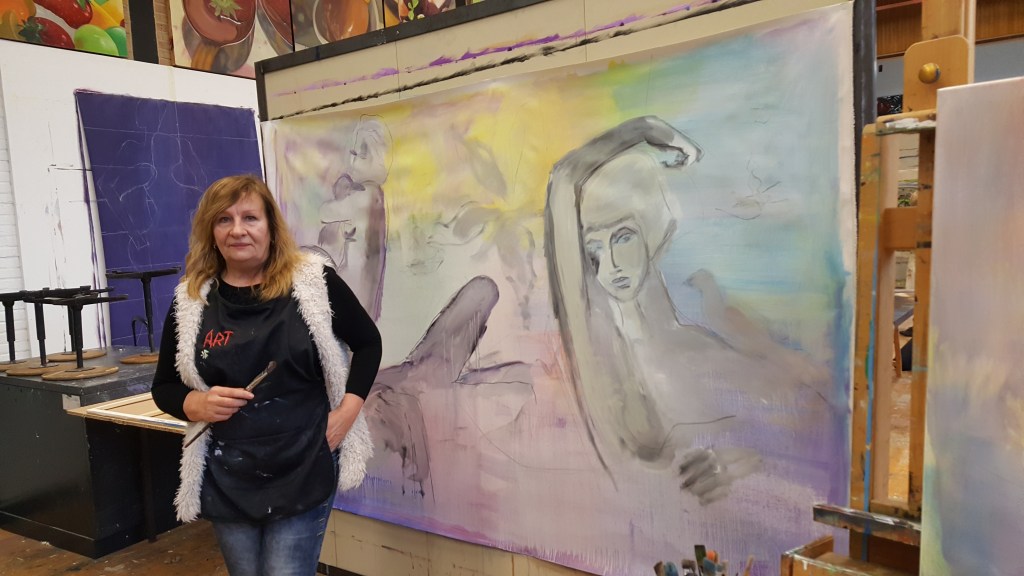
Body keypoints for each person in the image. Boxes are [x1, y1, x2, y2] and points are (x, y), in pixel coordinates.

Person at [545, 116, 827, 503]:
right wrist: (643, 129)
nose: (610, 266)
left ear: (650, 235)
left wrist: (740, 464)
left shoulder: (692, 346)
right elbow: (563, 181)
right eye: (594, 251)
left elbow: (789, 430)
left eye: (623, 238)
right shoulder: (595, 348)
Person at [151, 174, 382, 576]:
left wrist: (346, 414)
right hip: (229, 475)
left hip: (303, 465)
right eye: (224, 219)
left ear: (271, 227)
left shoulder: (313, 282)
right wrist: (196, 403)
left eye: (250, 218)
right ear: (211, 231)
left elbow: (368, 344)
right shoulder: (192, 299)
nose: (237, 230)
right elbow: (164, 388)